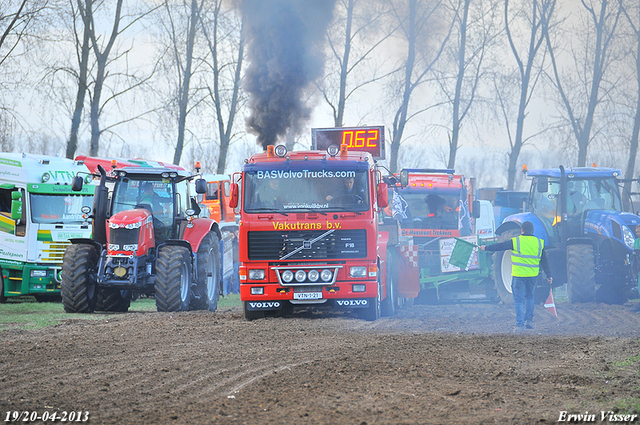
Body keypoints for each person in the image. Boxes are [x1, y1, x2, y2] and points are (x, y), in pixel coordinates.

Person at [480, 221, 552, 331]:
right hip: (532, 276)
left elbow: (500, 246)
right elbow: (545, 261)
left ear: (522, 230)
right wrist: (549, 275)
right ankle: (529, 321)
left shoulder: (516, 241)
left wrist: (486, 248)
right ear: (532, 230)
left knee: (518, 300)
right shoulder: (539, 243)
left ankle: (520, 325)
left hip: (519, 275)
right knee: (530, 297)